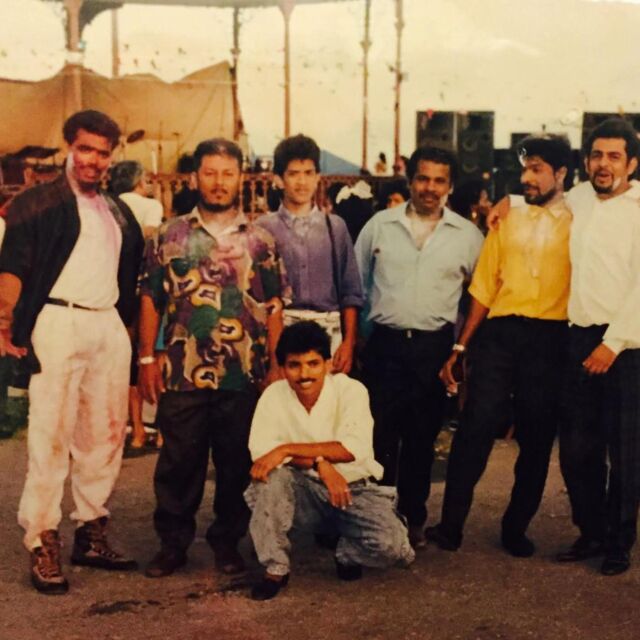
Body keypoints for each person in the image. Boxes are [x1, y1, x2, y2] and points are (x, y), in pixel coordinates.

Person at [0, 110, 144, 594]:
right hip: (58, 320)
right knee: (50, 435)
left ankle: (91, 530)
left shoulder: (117, 210)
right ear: (68, 147)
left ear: (112, 157)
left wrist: (126, 334)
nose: (93, 160)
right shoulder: (37, 202)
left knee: (105, 434)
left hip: (106, 322)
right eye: (85, 149)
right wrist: (5, 321)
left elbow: (129, 273)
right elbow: (13, 265)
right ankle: (42, 538)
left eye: (102, 153)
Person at [138, 137, 290, 579]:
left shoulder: (261, 241)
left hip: (244, 374)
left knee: (236, 464)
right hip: (181, 373)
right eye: (210, 173)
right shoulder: (168, 236)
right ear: (195, 178)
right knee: (178, 464)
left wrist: (276, 366)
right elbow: (149, 299)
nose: (219, 182)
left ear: (241, 177)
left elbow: (275, 306)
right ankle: (172, 545)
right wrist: (146, 360)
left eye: (227, 173)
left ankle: (228, 543)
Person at [426, 135, 573, 557]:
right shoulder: (505, 219)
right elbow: (485, 286)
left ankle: (515, 529)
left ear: (561, 173)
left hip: (550, 339)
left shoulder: (580, 219)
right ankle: (450, 526)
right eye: (524, 169)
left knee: (537, 437)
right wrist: (461, 347)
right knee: (476, 426)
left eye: (537, 169)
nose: (527, 178)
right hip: (500, 336)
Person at [354, 145, 484, 549]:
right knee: (378, 437)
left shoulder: (468, 236)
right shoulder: (379, 226)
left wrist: (460, 349)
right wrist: (357, 340)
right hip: (384, 346)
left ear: (450, 186)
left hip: (433, 349)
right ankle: (375, 519)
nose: (430, 188)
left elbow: (479, 295)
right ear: (410, 180)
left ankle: (412, 517)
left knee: (421, 439)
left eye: (439, 181)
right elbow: (356, 285)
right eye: (423, 178)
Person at [245, 321, 414, 600]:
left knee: (394, 547)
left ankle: (346, 551)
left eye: (313, 364)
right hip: (303, 490)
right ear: (283, 368)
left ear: (327, 364)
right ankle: (275, 567)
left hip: (352, 488)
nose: (304, 374)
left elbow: (352, 449)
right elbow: (264, 456)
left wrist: (286, 448)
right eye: (294, 365)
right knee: (269, 478)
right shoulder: (273, 396)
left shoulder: (351, 390)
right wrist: (320, 464)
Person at [555, 118, 640, 576]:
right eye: (596, 155)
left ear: (632, 163)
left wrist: (613, 344)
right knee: (576, 448)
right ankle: (590, 531)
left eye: (614, 156)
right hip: (578, 338)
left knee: (624, 450)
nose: (603, 164)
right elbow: (541, 199)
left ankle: (618, 541)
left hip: (625, 345)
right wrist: (508, 203)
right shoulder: (579, 198)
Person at [257, 134, 363, 374]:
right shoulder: (263, 229)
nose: (302, 182)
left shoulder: (335, 227)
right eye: (293, 174)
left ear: (317, 178)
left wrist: (348, 343)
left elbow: (350, 292)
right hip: (280, 334)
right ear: (278, 179)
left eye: (308, 173)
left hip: (328, 333)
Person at [110, 160, 164, 450]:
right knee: (150, 355)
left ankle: (135, 430)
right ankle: (158, 430)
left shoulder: (108, 204)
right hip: (141, 288)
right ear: (139, 181)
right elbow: (151, 242)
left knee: (120, 360)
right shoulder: (151, 206)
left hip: (111, 289)